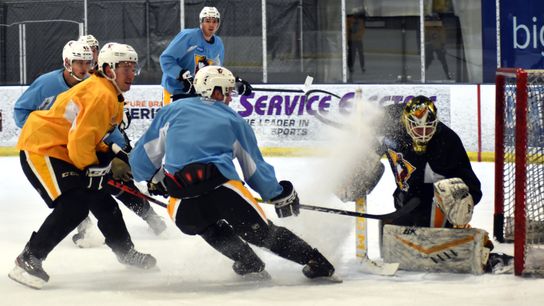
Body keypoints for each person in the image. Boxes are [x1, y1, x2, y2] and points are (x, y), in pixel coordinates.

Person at [129, 65, 337, 280]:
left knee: (207, 227)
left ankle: (248, 261)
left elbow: (141, 159)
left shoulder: (171, 111)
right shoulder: (233, 120)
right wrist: (278, 193)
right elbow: (253, 169)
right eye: (227, 92)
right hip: (225, 191)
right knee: (261, 233)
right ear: (215, 91)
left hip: (183, 203)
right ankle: (316, 262)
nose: (230, 98)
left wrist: (154, 179)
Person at [8, 42, 157, 290]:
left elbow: (89, 137)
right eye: (125, 67)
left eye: (133, 67)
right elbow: (79, 142)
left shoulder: (109, 92)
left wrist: (110, 155)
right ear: (108, 69)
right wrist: (94, 168)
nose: (132, 74)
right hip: (42, 148)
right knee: (73, 206)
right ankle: (29, 259)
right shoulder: (101, 94)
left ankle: (126, 252)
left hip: (64, 148)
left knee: (103, 202)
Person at [338, 95, 512, 274]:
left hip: (434, 203)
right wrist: (352, 174)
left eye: (428, 129)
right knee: (365, 168)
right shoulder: (390, 127)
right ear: (406, 122)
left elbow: (473, 187)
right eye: (417, 129)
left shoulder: (447, 141)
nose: (422, 135)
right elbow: (376, 125)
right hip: (404, 200)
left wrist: (462, 207)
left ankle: (466, 241)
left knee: (449, 192)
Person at [159, 6, 224, 104]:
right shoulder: (189, 36)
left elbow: (217, 70)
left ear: (218, 24)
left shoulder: (218, 44)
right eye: (207, 21)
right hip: (175, 91)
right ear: (201, 22)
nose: (211, 24)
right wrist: (182, 75)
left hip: (198, 93)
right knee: (173, 119)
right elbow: (166, 59)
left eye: (214, 21)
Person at [347, 8, 366, 79]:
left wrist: (358, 36)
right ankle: (351, 67)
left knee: (360, 53)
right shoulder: (349, 20)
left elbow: (362, 30)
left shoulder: (360, 21)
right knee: (352, 54)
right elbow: (347, 29)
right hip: (352, 40)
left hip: (357, 40)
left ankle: (362, 66)